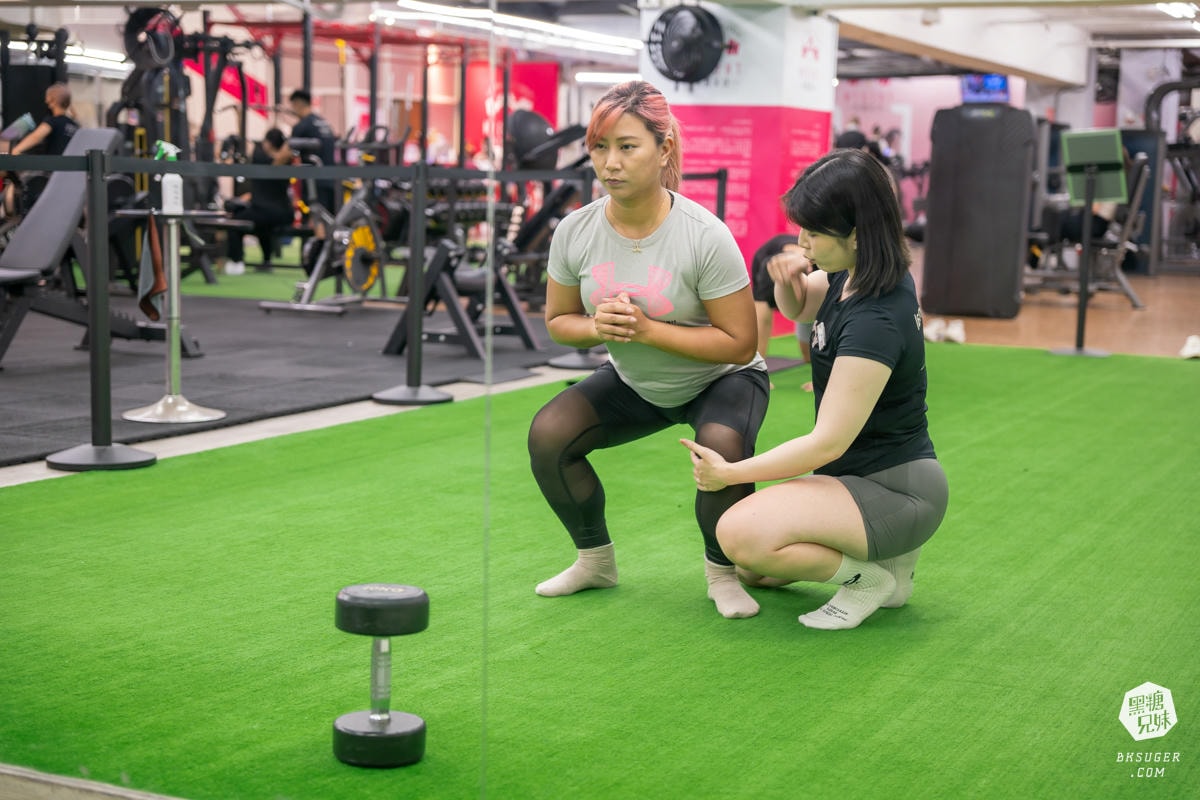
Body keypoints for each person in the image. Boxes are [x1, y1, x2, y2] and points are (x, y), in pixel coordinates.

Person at [527, 80, 771, 619]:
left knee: (721, 448)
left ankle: (722, 573)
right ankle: (594, 561)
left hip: (721, 378)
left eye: (627, 146)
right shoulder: (575, 231)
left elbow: (740, 342)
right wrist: (598, 327)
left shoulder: (704, 235)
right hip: (638, 382)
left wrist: (647, 330)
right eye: (600, 147)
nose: (610, 163)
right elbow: (558, 322)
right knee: (549, 435)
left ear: (664, 150)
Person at [681, 148, 949, 631]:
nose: (801, 242)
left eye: (814, 233)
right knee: (752, 567)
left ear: (857, 234)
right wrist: (786, 282)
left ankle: (870, 579)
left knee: (738, 534)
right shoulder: (858, 272)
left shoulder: (876, 317)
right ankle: (887, 566)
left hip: (897, 492)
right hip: (853, 482)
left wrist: (731, 471)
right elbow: (802, 309)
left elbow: (825, 443)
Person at [224, 128, 294, 275]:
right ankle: (267, 261)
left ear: (268, 143)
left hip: (266, 211)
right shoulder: (286, 161)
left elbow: (245, 142)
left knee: (234, 222)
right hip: (284, 213)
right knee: (261, 226)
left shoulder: (260, 156)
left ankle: (236, 262)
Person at [3, 83, 79, 215]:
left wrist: (15, 152)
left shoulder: (53, 121)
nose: (45, 101)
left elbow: (36, 137)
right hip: (68, 177)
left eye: (47, 98)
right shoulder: (74, 125)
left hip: (51, 177)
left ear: (52, 100)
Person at [751, 233, 812, 365]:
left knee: (810, 357)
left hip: (806, 270)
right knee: (809, 355)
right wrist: (757, 370)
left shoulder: (819, 265)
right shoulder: (768, 270)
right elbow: (762, 321)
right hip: (768, 266)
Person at [288, 89, 338, 213]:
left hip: (315, 183)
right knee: (329, 218)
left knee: (317, 218)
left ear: (298, 104)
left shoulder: (302, 126)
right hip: (332, 180)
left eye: (293, 106)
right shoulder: (324, 123)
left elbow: (287, 152)